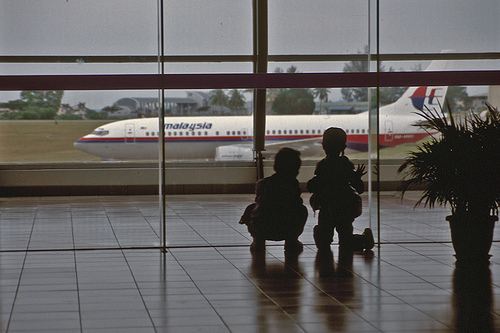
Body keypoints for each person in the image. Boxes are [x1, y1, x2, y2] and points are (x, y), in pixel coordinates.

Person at [307, 127, 374, 252]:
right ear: (344, 147)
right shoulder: (345, 165)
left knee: (324, 237)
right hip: (345, 207)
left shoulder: (322, 165)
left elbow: (315, 184)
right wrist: (357, 177)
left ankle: (321, 235)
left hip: (326, 207)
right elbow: (359, 188)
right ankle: (364, 240)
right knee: (346, 239)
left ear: (323, 146)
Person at [239, 148, 308, 253]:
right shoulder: (293, 186)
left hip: (263, 227)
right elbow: (296, 204)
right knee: (302, 210)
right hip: (287, 228)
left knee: (251, 208)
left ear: (275, 167)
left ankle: (258, 239)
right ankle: (292, 241)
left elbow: (259, 202)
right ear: (295, 170)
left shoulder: (262, 183)